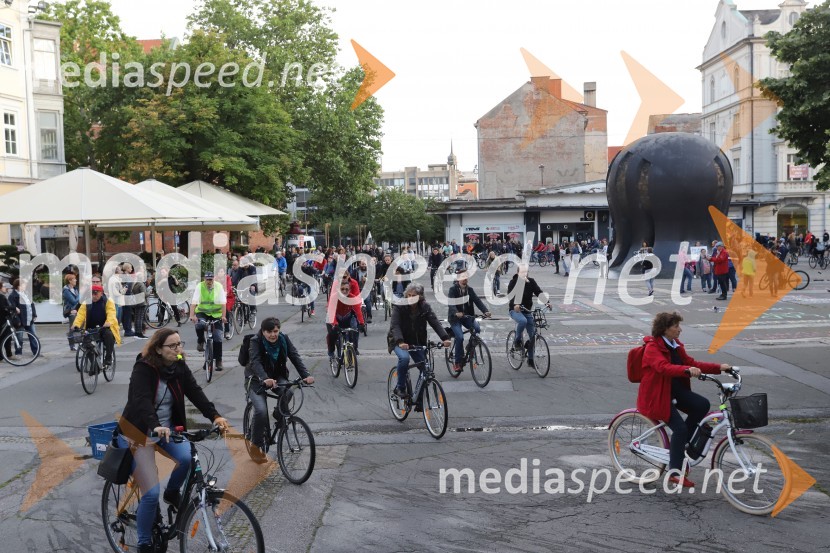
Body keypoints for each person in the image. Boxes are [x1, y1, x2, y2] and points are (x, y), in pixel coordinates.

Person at [116, 329, 229, 553]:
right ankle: (144, 543)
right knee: (150, 494)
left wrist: (214, 416)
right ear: (158, 349)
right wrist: (154, 424)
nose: (179, 349)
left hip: (166, 431)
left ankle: (172, 492)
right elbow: (141, 401)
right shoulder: (143, 369)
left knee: (187, 458)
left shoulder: (178, 367)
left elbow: (195, 392)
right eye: (173, 346)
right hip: (140, 433)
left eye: (180, 344)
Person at [636, 312, 730, 487]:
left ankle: (680, 446)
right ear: (665, 329)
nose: (680, 330)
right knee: (679, 429)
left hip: (674, 391)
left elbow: (691, 362)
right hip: (657, 395)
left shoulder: (675, 345)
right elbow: (663, 368)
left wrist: (720, 368)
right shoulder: (652, 348)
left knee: (702, 405)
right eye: (676, 326)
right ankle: (674, 472)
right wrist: (686, 369)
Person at [244, 317, 313, 463]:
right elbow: (255, 362)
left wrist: (306, 375)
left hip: (277, 377)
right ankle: (255, 447)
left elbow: (294, 356)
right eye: (269, 332)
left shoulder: (283, 339)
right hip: (256, 380)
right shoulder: (255, 341)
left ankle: (278, 413)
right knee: (261, 411)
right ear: (263, 332)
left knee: (289, 390)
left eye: (275, 331)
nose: (273, 335)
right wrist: (264, 378)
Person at [389, 283, 451, 404]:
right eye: (409, 295)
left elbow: (435, 322)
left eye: (414, 296)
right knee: (404, 358)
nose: (411, 298)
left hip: (417, 342)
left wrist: (445, 338)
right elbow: (395, 325)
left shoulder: (425, 307)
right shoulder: (399, 306)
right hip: (398, 340)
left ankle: (418, 398)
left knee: (425, 369)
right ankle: (400, 387)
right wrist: (400, 341)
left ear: (420, 297)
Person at [447, 270, 491, 373]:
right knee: (460, 337)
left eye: (466, 277)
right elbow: (451, 303)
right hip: (455, 318)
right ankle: (457, 362)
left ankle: (470, 346)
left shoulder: (469, 290)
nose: (464, 279)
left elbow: (477, 301)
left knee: (477, 328)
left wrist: (485, 311)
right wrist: (456, 312)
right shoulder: (452, 290)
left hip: (467, 316)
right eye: (462, 277)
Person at [507, 266, 549, 368]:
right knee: (523, 321)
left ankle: (530, 360)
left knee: (533, 335)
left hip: (527, 310)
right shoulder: (513, 282)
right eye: (522, 272)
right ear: (518, 273)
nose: (524, 274)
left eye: (526, 272)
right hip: (515, 310)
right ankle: (517, 341)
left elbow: (538, 292)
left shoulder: (531, 281)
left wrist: (547, 302)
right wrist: (515, 305)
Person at [72, 284, 121, 367]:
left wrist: (108, 322)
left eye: (96, 293)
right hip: (90, 328)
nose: (94, 296)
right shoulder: (86, 302)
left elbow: (111, 313)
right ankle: (95, 365)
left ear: (101, 293)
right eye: (92, 293)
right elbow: (80, 315)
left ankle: (108, 357)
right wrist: (76, 324)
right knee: (86, 343)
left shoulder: (108, 301)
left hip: (104, 327)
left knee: (109, 335)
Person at [189, 272, 227, 370]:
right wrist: (192, 315)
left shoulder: (219, 287)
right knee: (199, 325)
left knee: (217, 337)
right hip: (203, 312)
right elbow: (194, 302)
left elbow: (223, 303)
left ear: (214, 279)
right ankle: (201, 341)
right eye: (207, 279)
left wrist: (223, 316)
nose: (209, 281)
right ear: (204, 279)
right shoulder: (200, 286)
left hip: (216, 314)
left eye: (211, 279)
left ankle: (218, 361)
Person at [326, 277, 365, 359]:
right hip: (334, 318)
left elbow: (358, 311)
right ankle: (331, 351)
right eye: (342, 289)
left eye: (347, 289)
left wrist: (361, 323)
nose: (344, 291)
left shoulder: (352, 298)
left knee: (352, 333)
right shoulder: (334, 297)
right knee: (332, 335)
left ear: (350, 290)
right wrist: (335, 324)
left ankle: (352, 349)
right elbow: (331, 313)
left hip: (346, 318)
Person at [8, 279, 38, 357]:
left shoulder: (26, 294)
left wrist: (34, 315)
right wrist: (17, 320)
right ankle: (18, 352)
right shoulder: (13, 296)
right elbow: (12, 309)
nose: (25, 286)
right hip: (20, 320)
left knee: (33, 336)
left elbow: (32, 305)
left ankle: (36, 351)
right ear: (18, 286)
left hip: (29, 319)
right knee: (19, 337)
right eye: (23, 284)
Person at [62, 273, 80, 351]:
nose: (76, 280)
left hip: (76, 310)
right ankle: (72, 345)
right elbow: (73, 301)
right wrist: (81, 294)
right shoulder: (66, 290)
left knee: (79, 327)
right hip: (70, 311)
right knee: (72, 328)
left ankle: (79, 342)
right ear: (70, 281)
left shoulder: (75, 289)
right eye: (74, 279)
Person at [0, 283, 14, 361]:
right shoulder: (1, 297)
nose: (6, 288)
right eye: (4, 286)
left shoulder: (3, 296)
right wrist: (13, 308)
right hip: (2, 320)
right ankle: (7, 355)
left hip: (4, 320)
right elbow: (3, 308)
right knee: (6, 338)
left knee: (6, 338)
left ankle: (7, 355)